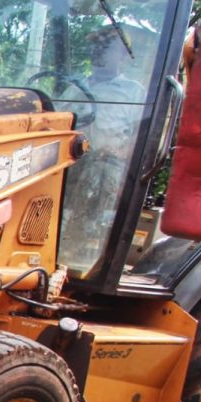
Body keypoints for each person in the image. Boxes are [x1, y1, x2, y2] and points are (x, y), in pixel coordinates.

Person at [58, 27, 148, 273]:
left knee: (91, 218)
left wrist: (118, 153)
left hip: (109, 169)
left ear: (123, 55)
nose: (99, 52)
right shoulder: (75, 89)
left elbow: (143, 138)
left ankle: (82, 265)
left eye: (108, 47)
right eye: (96, 46)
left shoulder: (133, 93)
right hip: (73, 165)